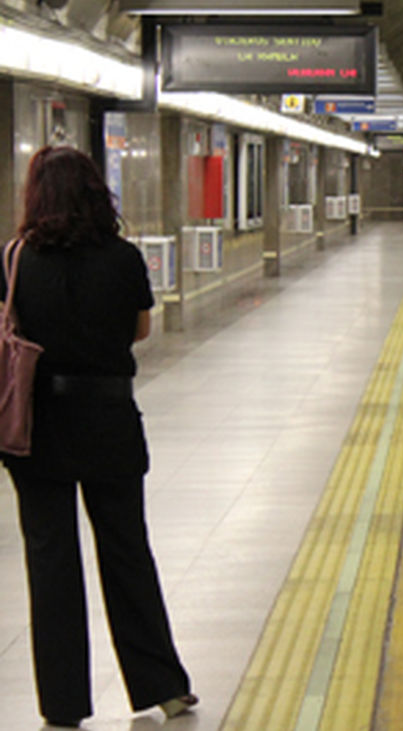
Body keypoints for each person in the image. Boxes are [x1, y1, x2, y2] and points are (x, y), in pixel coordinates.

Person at [0, 147, 197, 727]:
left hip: (36, 427)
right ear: (95, 192)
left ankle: (62, 705)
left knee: (50, 561)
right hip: (109, 420)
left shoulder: (14, 258)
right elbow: (140, 329)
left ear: (36, 194)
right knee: (127, 550)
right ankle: (163, 687)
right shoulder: (124, 257)